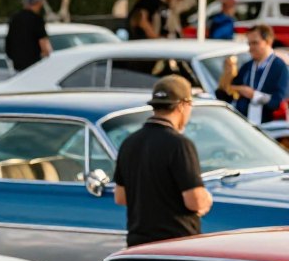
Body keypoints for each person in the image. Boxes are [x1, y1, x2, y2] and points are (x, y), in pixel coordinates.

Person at [113, 76, 212, 246]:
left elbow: (121, 197)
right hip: (176, 245)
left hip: (139, 245)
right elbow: (194, 201)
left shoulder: (129, 142)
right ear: (183, 105)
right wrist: (207, 198)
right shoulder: (180, 144)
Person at [216, 24, 289, 126]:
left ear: (268, 42)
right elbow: (227, 96)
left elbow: (279, 102)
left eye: (255, 43)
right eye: (249, 44)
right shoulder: (247, 66)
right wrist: (226, 76)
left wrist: (253, 95)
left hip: (268, 129)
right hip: (245, 126)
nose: (250, 48)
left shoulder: (280, 67)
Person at [5, 0, 51, 72]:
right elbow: (44, 46)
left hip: (17, 66)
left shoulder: (14, 18)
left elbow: (8, 42)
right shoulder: (37, 20)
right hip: (34, 67)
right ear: (38, 2)